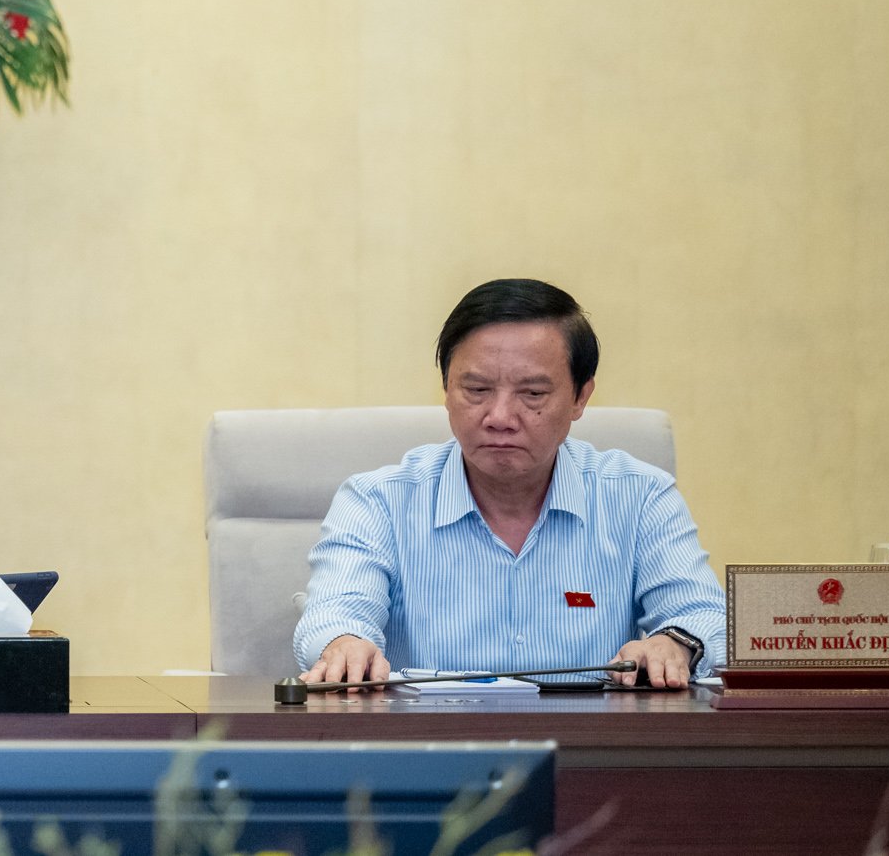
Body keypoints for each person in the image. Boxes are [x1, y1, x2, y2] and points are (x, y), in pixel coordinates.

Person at [295, 279, 727, 689]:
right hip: (431, 751)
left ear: (580, 397)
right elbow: (336, 612)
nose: (500, 417)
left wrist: (675, 644)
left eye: (533, 394)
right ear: (446, 389)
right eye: (477, 388)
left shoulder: (641, 496)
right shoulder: (377, 501)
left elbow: (704, 616)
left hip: (591, 753)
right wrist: (344, 643)